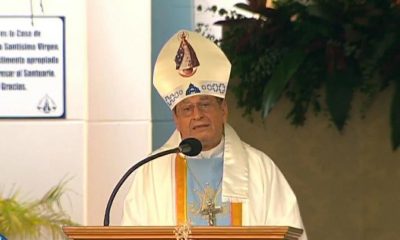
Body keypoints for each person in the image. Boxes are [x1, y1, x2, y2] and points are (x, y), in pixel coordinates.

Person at [122, 30, 307, 240]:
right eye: (187, 109)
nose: (197, 115)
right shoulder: (151, 174)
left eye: (205, 104)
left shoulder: (261, 170)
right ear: (176, 119)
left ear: (224, 110)